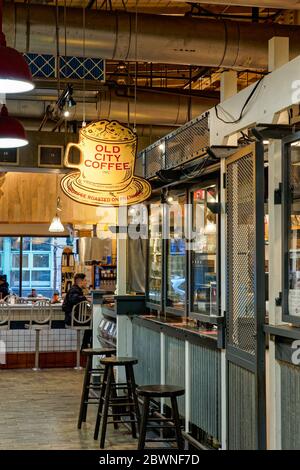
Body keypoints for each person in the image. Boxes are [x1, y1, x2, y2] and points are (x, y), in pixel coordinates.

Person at [62, 273, 92, 349]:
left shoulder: (76, 289)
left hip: (73, 317)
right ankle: (86, 345)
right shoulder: (74, 290)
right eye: (85, 280)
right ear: (80, 281)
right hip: (72, 318)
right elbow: (74, 299)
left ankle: (86, 345)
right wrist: (85, 298)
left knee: (92, 321)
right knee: (93, 322)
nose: (86, 282)